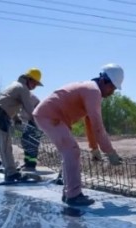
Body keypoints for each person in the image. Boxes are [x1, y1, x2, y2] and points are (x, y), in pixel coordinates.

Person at [32, 63, 124, 207]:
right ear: (103, 80)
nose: (112, 92)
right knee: (71, 150)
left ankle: (68, 193)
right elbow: (98, 126)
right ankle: (73, 196)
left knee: (69, 152)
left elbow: (89, 122)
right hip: (50, 116)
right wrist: (109, 152)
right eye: (112, 87)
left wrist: (94, 148)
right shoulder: (93, 91)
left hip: (48, 116)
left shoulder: (90, 90)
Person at [0, 68, 43, 181]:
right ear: (29, 80)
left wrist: (16, 118)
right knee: (6, 147)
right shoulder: (23, 89)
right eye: (35, 84)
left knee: (4, 146)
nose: (35, 87)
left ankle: (10, 170)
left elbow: (8, 103)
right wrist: (40, 125)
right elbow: (30, 110)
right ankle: (11, 173)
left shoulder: (16, 85)